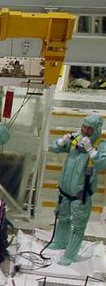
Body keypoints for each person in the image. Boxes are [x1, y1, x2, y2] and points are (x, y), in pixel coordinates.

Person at [47, 113, 106, 265]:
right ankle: (60, 241)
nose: (85, 130)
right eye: (84, 127)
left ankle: (70, 255)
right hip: (65, 190)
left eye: (89, 129)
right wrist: (61, 142)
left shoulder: (101, 144)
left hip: (81, 193)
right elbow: (53, 148)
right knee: (63, 217)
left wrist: (91, 151)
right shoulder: (76, 138)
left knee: (78, 225)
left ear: (97, 129)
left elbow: (102, 164)